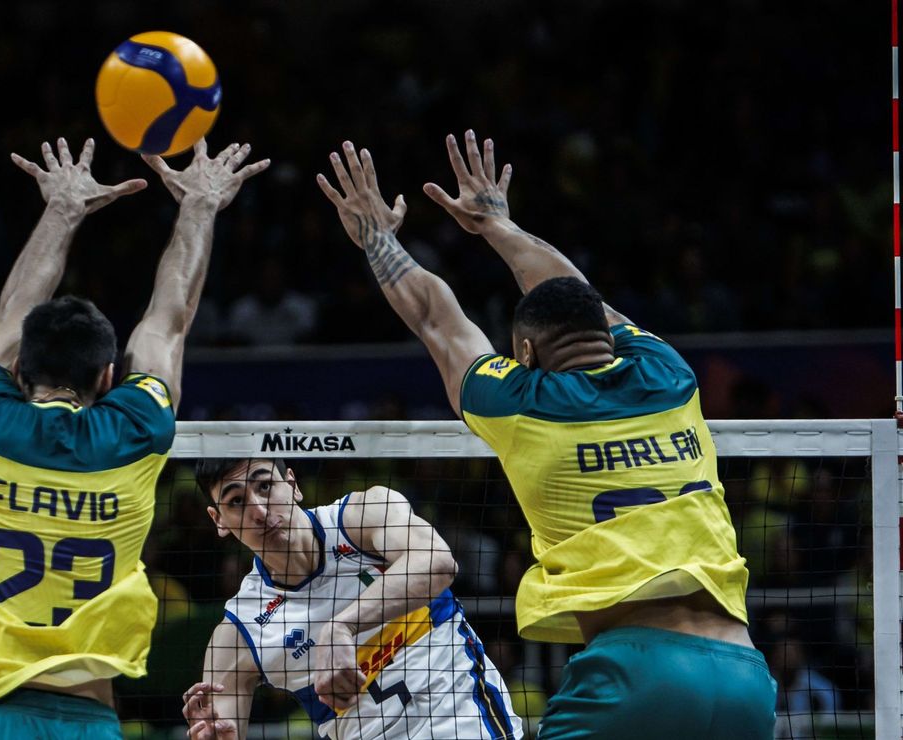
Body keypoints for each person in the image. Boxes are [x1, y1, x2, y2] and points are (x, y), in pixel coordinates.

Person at [315, 133, 776, 738]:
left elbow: (438, 320)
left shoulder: (519, 404)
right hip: (747, 676)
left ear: (526, 352)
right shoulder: (669, 373)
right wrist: (499, 227)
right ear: (608, 333)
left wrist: (377, 238)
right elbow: (585, 298)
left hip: (635, 675)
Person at [0, 136, 268, 739]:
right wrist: (198, 205)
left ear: (17, 372)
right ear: (109, 377)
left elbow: (13, 315)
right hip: (87, 721)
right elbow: (171, 315)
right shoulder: (134, 432)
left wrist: (63, 209)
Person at [181, 458, 522, 739]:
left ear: (293, 485)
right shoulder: (237, 636)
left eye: (265, 486)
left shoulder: (361, 518)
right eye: (236, 501)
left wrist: (342, 627)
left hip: (466, 723)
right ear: (219, 520)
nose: (258, 509)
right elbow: (218, 727)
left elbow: (438, 562)